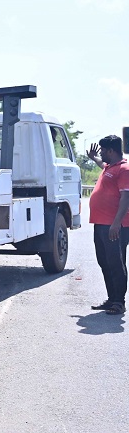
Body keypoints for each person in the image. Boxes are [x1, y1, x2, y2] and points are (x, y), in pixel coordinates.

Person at [87, 135, 129, 315]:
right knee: (104, 261)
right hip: (101, 224)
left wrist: (116, 223)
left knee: (116, 263)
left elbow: (126, 198)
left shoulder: (124, 169)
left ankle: (119, 302)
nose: (101, 154)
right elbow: (101, 163)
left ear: (111, 151)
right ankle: (111, 299)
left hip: (115, 226)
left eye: (103, 151)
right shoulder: (109, 167)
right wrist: (94, 157)